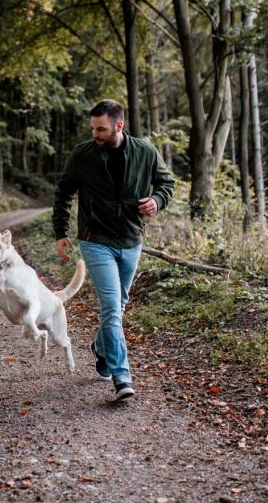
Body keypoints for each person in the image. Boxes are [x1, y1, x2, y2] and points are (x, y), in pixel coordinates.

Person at [52, 100, 175, 402]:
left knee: (118, 305)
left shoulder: (145, 151)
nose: (95, 133)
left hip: (132, 239)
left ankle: (101, 347)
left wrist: (157, 200)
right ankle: (122, 377)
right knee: (111, 305)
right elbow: (64, 192)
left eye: (101, 129)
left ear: (118, 126)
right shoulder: (83, 155)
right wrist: (60, 232)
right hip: (95, 240)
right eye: (93, 128)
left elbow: (166, 183)